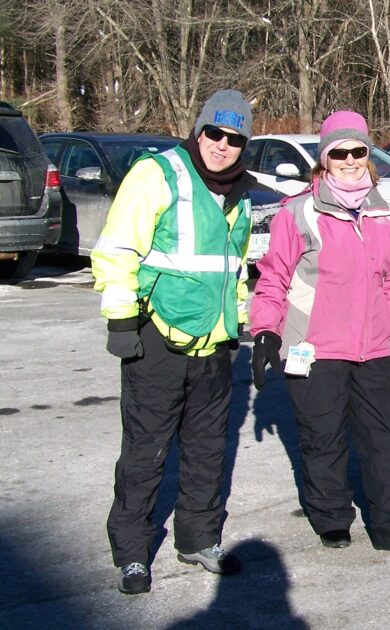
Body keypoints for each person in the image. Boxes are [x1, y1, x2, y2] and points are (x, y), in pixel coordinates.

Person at [248, 110, 390, 560]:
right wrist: (264, 334)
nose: (351, 160)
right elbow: (273, 278)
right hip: (311, 348)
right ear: (324, 160)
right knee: (322, 438)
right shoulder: (298, 212)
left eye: (359, 151)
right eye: (341, 153)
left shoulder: (382, 213)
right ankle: (331, 516)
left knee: (383, 440)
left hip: (371, 346)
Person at [92, 89, 256, 595]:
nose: (222, 146)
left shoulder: (241, 191)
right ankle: (133, 552)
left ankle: (198, 539)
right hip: (156, 341)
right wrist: (121, 322)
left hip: (214, 344)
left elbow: (234, 270)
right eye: (215, 133)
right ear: (198, 130)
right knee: (145, 451)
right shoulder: (157, 174)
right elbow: (117, 247)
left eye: (234, 138)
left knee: (209, 450)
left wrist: (241, 322)